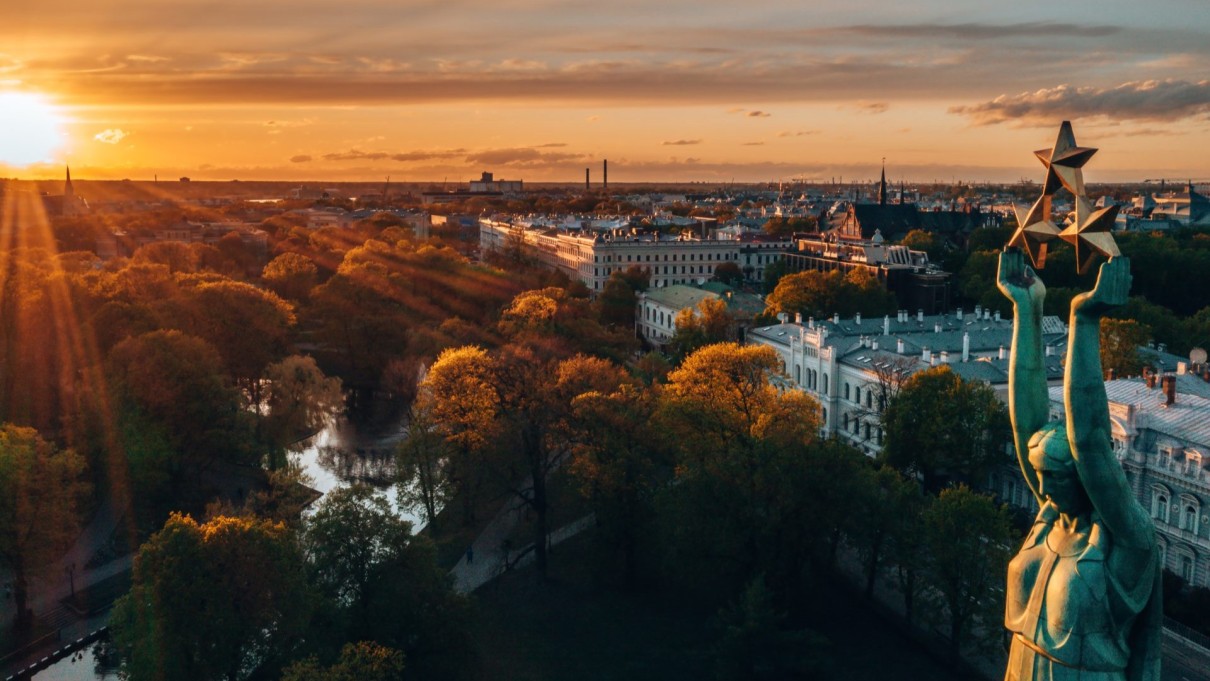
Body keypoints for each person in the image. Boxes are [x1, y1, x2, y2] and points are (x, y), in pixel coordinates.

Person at [998, 250, 1161, 681]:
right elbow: (1024, 423)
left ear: (1086, 476)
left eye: (1054, 476)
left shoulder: (1128, 542)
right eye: (1041, 474)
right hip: (1021, 667)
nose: (1042, 485)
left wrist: (1084, 320)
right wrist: (1027, 308)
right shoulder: (1052, 516)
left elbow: (1089, 439)